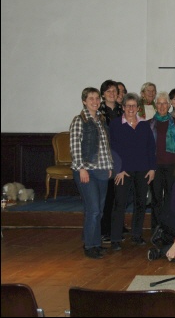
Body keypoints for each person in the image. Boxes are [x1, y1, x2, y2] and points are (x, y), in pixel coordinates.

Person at [70, 87, 113, 259]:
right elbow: (74, 147)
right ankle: (89, 245)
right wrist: (81, 168)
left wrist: (109, 166)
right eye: (91, 99)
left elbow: (105, 146)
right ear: (84, 101)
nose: (95, 102)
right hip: (86, 171)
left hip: (102, 170)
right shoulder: (79, 120)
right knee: (93, 210)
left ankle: (95, 243)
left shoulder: (101, 120)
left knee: (99, 211)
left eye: (97, 98)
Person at [110, 92, 156, 250]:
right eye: (128, 106)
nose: (131, 108)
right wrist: (119, 169)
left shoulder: (144, 124)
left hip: (143, 170)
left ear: (138, 108)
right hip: (123, 171)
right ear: (123, 107)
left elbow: (151, 147)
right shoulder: (116, 124)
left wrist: (152, 168)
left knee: (141, 203)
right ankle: (115, 238)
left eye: (134, 106)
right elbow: (113, 149)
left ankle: (136, 235)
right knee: (120, 204)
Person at [149, 91, 175, 231]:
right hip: (155, 167)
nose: (162, 106)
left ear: (169, 105)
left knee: (171, 198)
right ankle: (156, 229)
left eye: (165, 103)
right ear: (155, 105)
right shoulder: (149, 124)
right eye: (159, 103)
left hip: (172, 166)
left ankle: (169, 228)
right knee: (156, 198)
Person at [98, 79, 123, 243]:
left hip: (121, 158)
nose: (112, 93)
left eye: (114, 91)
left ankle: (117, 228)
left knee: (119, 196)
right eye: (108, 91)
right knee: (106, 197)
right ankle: (104, 230)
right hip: (104, 159)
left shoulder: (123, 110)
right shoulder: (98, 112)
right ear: (103, 94)